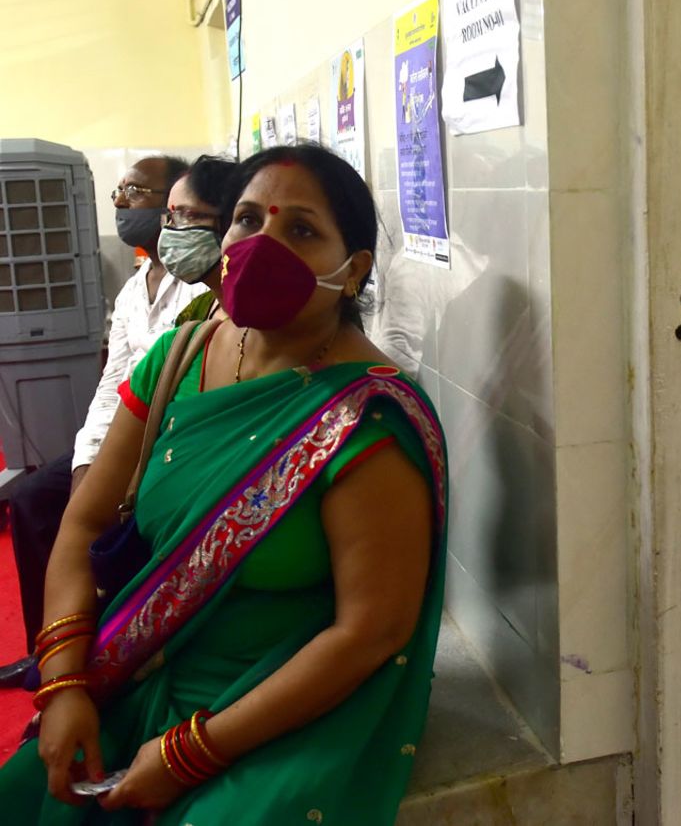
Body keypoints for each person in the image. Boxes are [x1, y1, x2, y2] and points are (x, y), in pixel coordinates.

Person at [0, 144, 448, 824]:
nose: (261, 242)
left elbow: (369, 631)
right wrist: (63, 685)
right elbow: (83, 525)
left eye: (300, 229)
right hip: (143, 669)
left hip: (282, 702)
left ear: (352, 271)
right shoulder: (177, 357)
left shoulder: (366, 419)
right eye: (246, 219)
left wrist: (189, 752)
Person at [1, 156, 198, 689]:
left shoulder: (202, 292)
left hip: (169, 441)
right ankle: (51, 648)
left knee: (123, 523)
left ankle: (110, 653)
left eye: (134, 191)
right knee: (33, 499)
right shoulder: (137, 287)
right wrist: (88, 462)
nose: (119, 202)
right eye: (119, 190)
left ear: (169, 209)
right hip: (119, 434)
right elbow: (112, 387)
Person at [161, 155, 239, 324]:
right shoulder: (193, 314)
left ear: (231, 219)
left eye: (187, 215)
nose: (169, 231)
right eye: (170, 217)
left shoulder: (272, 323)